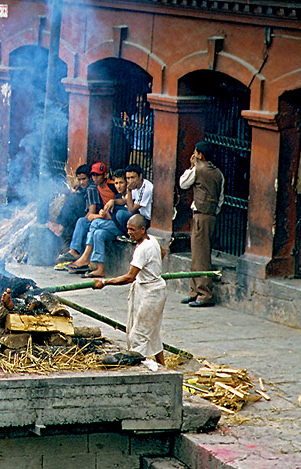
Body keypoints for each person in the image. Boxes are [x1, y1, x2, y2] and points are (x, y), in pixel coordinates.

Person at [93, 214, 167, 367]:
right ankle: (164, 366)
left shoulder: (143, 248)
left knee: (138, 336)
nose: (129, 233)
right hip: (150, 288)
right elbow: (162, 253)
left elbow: (129, 277)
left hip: (150, 292)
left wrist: (105, 282)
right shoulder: (152, 240)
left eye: (132, 230)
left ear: (142, 229)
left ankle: (138, 369)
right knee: (152, 333)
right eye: (128, 229)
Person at [178, 141, 224, 307]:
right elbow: (220, 199)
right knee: (197, 254)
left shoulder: (198, 169)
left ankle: (204, 294)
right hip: (210, 215)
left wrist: (191, 166)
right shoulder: (218, 173)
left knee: (201, 256)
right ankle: (195, 291)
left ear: (200, 155)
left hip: (201, 215)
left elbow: (183, 183)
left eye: (196, 153)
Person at [66, 169, 129, 277]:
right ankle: (99, 268)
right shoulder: (118, 196)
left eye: (121, 183)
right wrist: (103, 213)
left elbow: (118, 217)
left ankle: (85, 257)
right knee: (98, 233)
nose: (118, 186)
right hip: (112, 227)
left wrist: (102, 216)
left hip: (123, 228)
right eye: (117, 183)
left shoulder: (129, 196)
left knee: (95, 223)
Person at [54, 164, 100, 267]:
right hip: (83, 214)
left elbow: (91, 211)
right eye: (79, 180)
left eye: (84, 179)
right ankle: (68, 254)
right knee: (70, 227)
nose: (81, 182)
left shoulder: (91, 189)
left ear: (90, 177)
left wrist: (82, 223)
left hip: (92, 217)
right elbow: (71, 191)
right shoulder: (83, 187)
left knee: (73, 202)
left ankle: (60, 227)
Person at [113, 163, 153, 234]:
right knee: (113, 208)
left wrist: (128, 190)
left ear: (140, 176)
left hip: (146, 219)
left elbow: (131, 210)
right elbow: (125, 201)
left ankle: (129, 234)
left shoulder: (146, 188)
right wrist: (112, 202)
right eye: (128, 178)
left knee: (121, 214)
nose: (130, 181)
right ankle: (125, 234)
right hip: (138, 214)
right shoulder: (135, 186)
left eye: (132, 177)